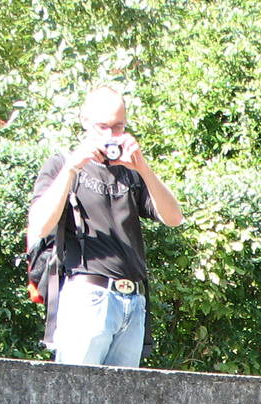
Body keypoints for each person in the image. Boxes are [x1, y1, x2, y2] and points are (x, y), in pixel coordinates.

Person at [27, 86, 183, 367]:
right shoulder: (62, 164)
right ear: (84, 122)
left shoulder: (130, 172)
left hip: (133, 302)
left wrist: (143, 168)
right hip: (86, 296)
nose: (111, 135)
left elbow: (174, 218)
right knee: (75, 399)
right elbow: (39, 224)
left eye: (118, 126)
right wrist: (73, 167)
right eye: (102, 127)